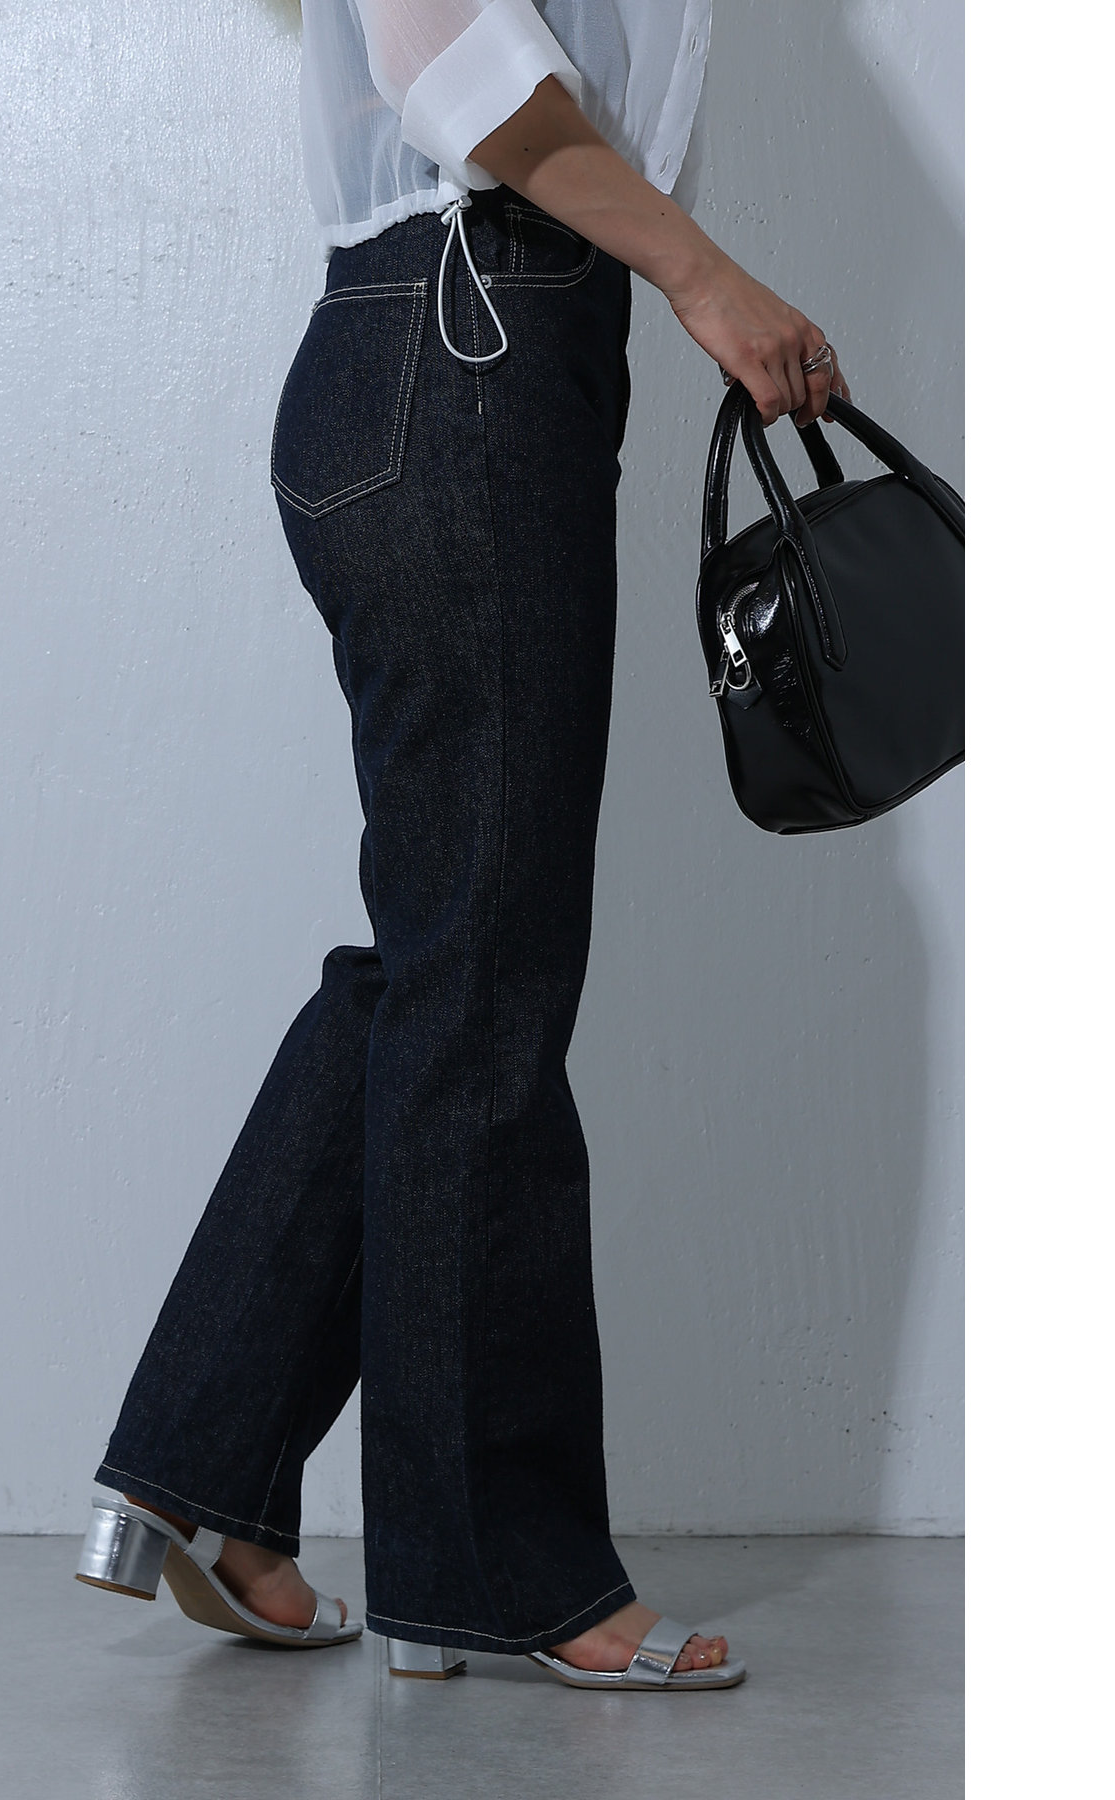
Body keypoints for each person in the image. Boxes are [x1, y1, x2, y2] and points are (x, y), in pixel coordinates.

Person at [75, 0, 846, 1690]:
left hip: (465, 349)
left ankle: (202, 1470)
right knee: (482, 976)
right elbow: (451, 64)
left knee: (449, 952)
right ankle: (500, 1569)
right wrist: (704, 276)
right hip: (469, 340)